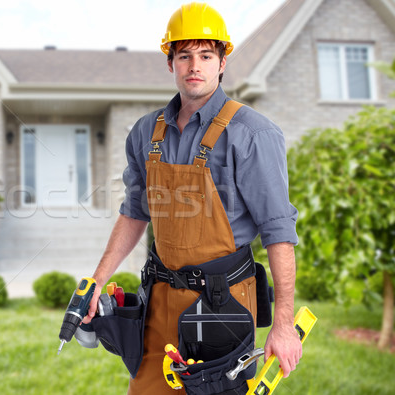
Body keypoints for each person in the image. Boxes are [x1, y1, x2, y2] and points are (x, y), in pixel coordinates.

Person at [82, 2, 302, 394]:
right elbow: (135, 212)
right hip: (160, 297)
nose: (194, 66)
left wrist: (283, 325)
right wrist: (98, 281)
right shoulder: (146, 133)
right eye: (184, 55)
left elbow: (277, 231)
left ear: (222, 62)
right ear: (171, 64)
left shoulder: (252, 134)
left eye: (205, 55)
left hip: (223, 306)